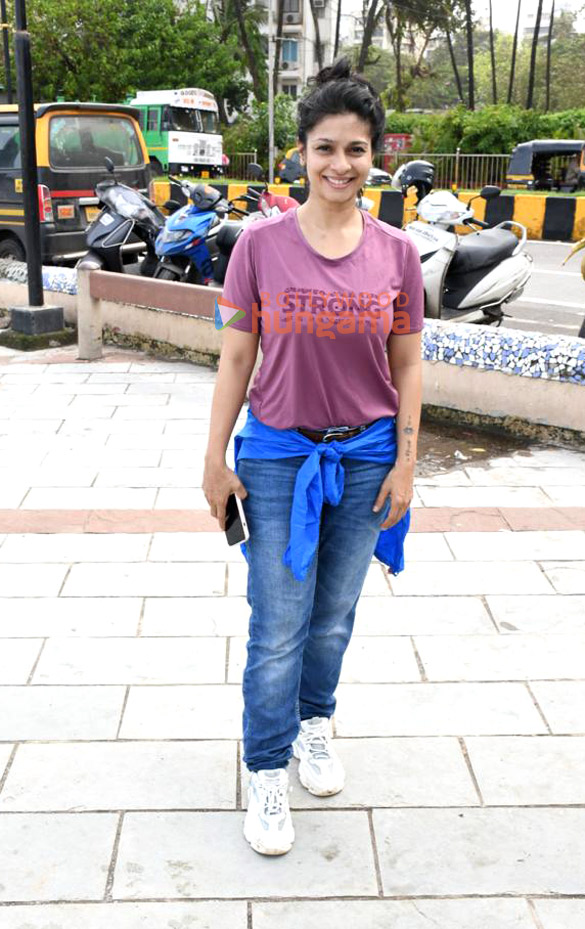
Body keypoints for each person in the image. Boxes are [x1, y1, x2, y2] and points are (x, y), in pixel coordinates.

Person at [202, 57, 424, 857]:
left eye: (356, 149)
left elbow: (406, 366)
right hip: (272, 458)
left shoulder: (397, 253)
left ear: (375, 156)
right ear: (300, 153)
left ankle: (313, 725)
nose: (340, 165)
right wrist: (213, 458)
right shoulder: (257, 246)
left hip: (365, 456)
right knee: (277, 624)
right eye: (325, 147)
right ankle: (264, 768)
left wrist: (405, 461)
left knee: (332, 617)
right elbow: (234, 358)